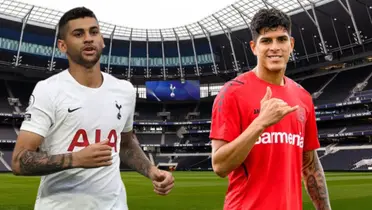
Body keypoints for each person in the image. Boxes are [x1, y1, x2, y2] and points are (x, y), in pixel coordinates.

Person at [11, 7, 174, 210]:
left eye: (93, 32)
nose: (88, 38)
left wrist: (151, 170)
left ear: (102, 40)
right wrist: (75, 158)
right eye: (78, 34)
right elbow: (19, 161)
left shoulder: (124, 90)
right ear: (62, 45)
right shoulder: (48, 90)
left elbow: (125, 143)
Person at [209, 8, 331, 210]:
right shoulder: (231, 93)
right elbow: (220, 166)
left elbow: (309, 164)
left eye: (281, 39)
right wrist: (260, 123)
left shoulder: (303, 97)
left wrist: (325, 208)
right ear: (254, 47)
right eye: (266, 41)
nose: (275, 47)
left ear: (291, 44)